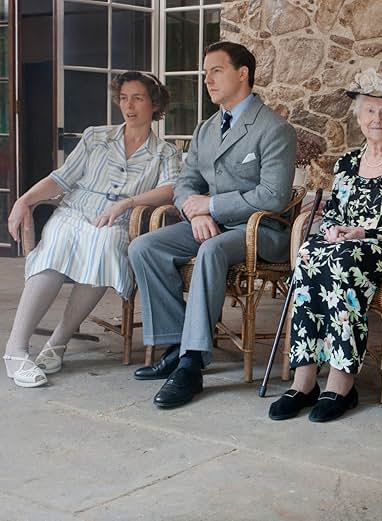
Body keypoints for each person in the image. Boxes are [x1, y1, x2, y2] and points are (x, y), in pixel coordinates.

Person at [128, 41, 296, 408]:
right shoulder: (206, 129)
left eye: (215, 71)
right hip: (210, 224)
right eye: (205, 73)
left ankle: (192, 364)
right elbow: (187, 182)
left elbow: (273, 197)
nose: (207, 80)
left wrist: (214, 206)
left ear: (242, 74)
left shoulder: (273, 128)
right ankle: (176, 343)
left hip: (259, 230)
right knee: (144, 246)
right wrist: (198, 212)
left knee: (211, 249)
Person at [266, 68, 382, 423]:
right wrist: (332, 231)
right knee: (310, 254)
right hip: (350, 247)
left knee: (344, 262)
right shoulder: (347, 163)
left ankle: (342, 382)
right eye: (370, 111)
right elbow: (334, 214)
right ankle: (305, 380)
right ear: (358, 116)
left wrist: (361, 233)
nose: (377, 118)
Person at [4, 72, 180, 388]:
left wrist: (127, 204)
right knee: (57, 245)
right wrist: (24, 200)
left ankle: (57, 342)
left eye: (138, 98)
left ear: (154, 104)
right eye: (124, 98)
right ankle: (15, 350)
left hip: (119, 219)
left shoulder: (164, 152)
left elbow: (170, 189)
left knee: (105, 247)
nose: (129, 105)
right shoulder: (95, 137)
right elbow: (61, 178)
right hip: (76, 210)